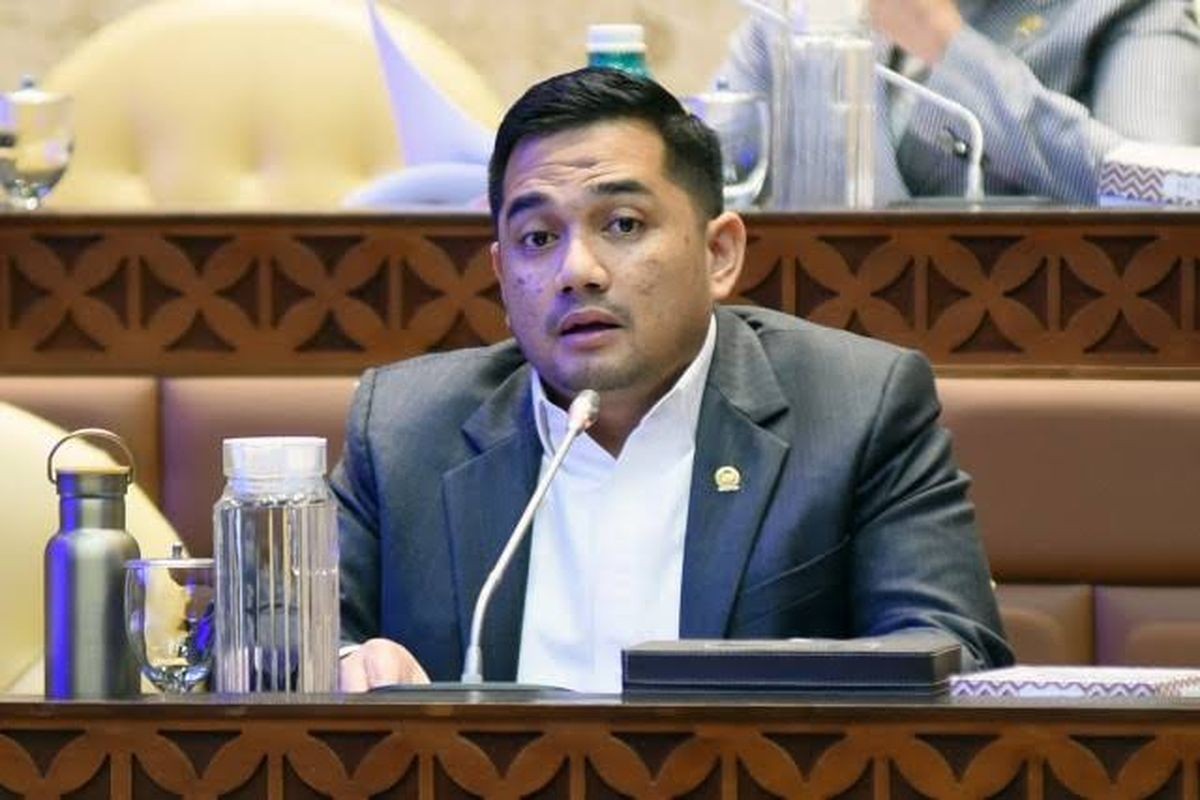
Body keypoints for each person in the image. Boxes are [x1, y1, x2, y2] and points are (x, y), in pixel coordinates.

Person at [333, 66, 1012, 693]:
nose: (578, 271)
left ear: (719, 254)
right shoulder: (404, 429)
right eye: (537, 238)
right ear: (502, 275)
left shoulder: (856, 409)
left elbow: (957, 659)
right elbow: (280, 639)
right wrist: (343, 664)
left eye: (623, 224)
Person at [722, 0, 1200, 203]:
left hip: (1028, 348)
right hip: (818, 342)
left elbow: (1166, 195)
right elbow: (708, 172)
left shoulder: (1128, 9)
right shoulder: (794, 12)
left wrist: (947, 44)